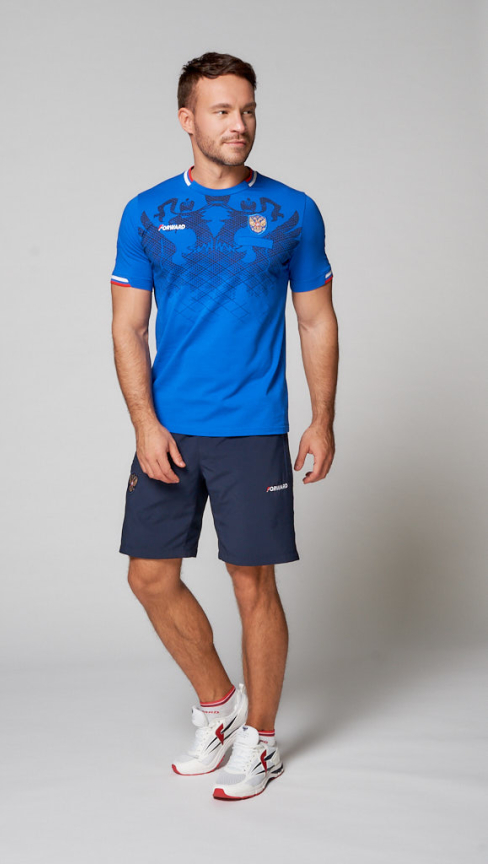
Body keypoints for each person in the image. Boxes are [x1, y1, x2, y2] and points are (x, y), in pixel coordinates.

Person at [110, 51, 338, 800]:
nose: (238, 124)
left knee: (252, 584)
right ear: (188, 119)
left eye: (247, 110)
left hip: (252, 428)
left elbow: (315, 319)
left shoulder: (292, 211)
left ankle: (261, 742)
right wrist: (145, 424)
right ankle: (219, 707)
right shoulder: (146, 211)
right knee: (149, 577)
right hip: (170, 429)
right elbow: (127, 326)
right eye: (221, 111)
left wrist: (322, 420)